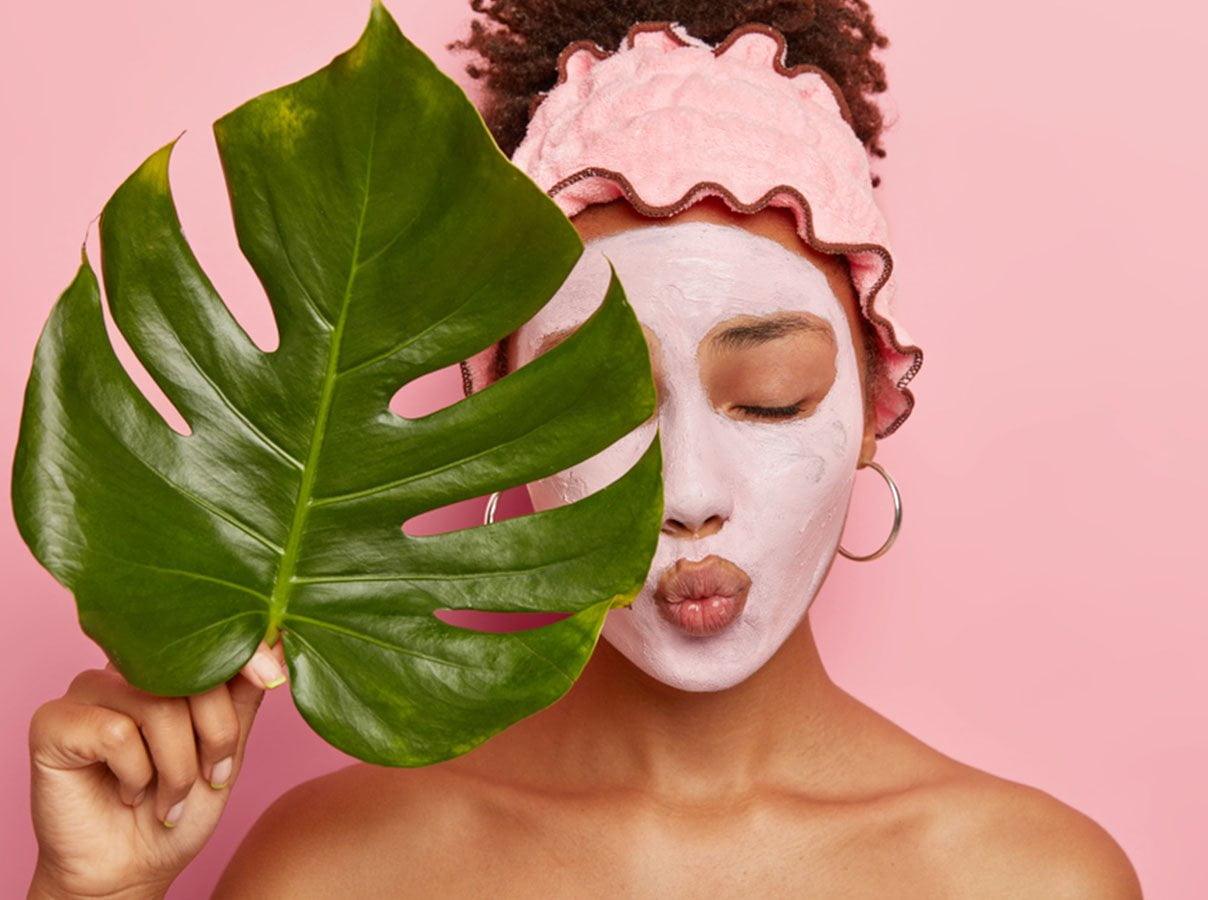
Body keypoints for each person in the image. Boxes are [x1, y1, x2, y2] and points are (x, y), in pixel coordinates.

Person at [26, 2, 1143, 897]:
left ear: (872, 402)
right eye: (612, 408)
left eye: (768, 396)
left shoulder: (1030, 880)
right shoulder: (337, 875)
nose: (690, 496)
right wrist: (97, 896)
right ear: (504, 419)